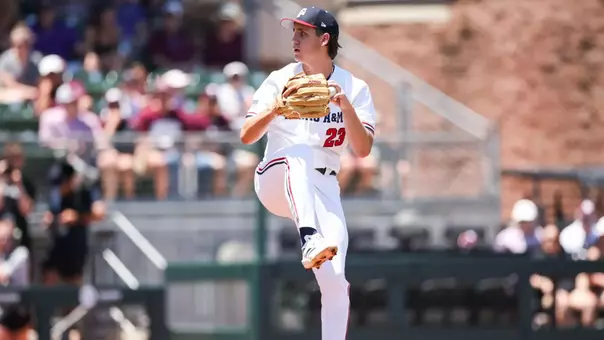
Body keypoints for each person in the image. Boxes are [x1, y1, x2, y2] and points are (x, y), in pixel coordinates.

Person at [239, 7, 377, 339]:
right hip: (276, 179)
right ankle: (308, 237)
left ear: (324, 39)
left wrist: (345, 108)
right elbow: (246, 134)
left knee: (335, 282)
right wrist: (275, 108)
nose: (294, 39)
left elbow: (363, 149)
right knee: (297, 155)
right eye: (294, 32)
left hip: (323, 186)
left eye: (303, 33)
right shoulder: (280, 79)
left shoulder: (353, 88)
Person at [42, 159, 105, 285]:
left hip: (76, 245)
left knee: (74, 283)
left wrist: (77, 217)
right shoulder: (55, 194)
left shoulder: (83, 193)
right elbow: (50, 213)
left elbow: (99, 213)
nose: (60, 187)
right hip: (57, 245)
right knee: (49, 275)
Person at [0, 143, 36, 250]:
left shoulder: (27, 183)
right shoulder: (2, 180)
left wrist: (19, 186)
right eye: (11, 158)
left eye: (18, 158)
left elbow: (26, 210)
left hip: (19, 236)